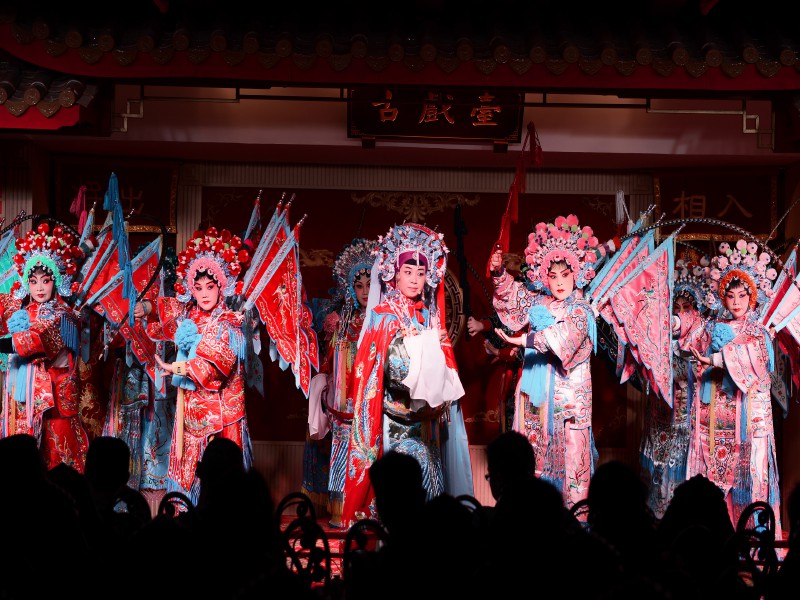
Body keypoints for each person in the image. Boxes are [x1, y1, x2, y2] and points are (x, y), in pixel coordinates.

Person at [341, 223, 472, 526]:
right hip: (396, 419)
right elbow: (389, 370)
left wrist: (437, 359)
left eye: (421, 273)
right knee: (402, 494)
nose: (414, 279)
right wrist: (424, 351)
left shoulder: (427, 315)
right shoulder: (383, 316)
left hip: (427, 419)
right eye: (408, 271)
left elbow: (444, 364)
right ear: (395, 273)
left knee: (431, 489)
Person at [490, 214, 607, 509]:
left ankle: (574, 523)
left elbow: (565, 337)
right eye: (552, 276)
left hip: (569, 406)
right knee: (530, 462)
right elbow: (513, 296)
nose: (559, 282)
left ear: (576, 273)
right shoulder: (538, 301)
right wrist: (499, 273)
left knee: (573, 470)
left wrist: (524, 341)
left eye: (565, 275)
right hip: (535, 402)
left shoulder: (582, 309)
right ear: (544, 276)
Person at [134, 226, 252, 502]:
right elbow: (167, 310)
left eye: (210, 287)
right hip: (189, 410)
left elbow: (213, 368)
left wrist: (174, 368)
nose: (204, 294)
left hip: (221, 415)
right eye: (198, 288)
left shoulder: (229, 322)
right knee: (188, 472)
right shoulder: (189, 314)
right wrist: (146, 308)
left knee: (221, 480)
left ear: (221, 286)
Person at [676, 239, 781, 532]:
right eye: (730, 295)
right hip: (715, 423)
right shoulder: (712, 326)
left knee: (750, 481)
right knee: (714, 482)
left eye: (742, 296)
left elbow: (754, 361)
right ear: (722, 297)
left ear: (752, 296)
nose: (736, 302)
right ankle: (714, 540)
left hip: (748, 422)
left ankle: (753, 543)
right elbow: (690, 326)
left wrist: (716, 360)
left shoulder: (759, 332)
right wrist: (675, 322)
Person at [0, 222, 89, 472]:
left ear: (56, 281)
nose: (39, 288)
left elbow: (37, 341)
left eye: (46, 280)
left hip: (56, 395)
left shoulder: (64, 314)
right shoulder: (21, 309)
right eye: (34, 281)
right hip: (24, 395)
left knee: (59, 456)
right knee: (23, 457)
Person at [306, 237, 374, 527]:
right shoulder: (342, 321)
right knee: (343, 450)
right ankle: (341, 509)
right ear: (350, 288)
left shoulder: (383, 321)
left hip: (371, 398)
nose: (365, 291)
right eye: (359, 286)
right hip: (345, 401)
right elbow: (329, 363)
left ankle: (368, 508)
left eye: (370, 284)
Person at [640, 254, 711, 519]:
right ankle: (658, 516)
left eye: (686, 307)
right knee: (660, 465)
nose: (680, 312)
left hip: (689, 412)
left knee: (685, 465)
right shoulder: (661, 336)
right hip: (662, 411)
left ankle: (684, 517)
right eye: (676, 306)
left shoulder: (702, 333)